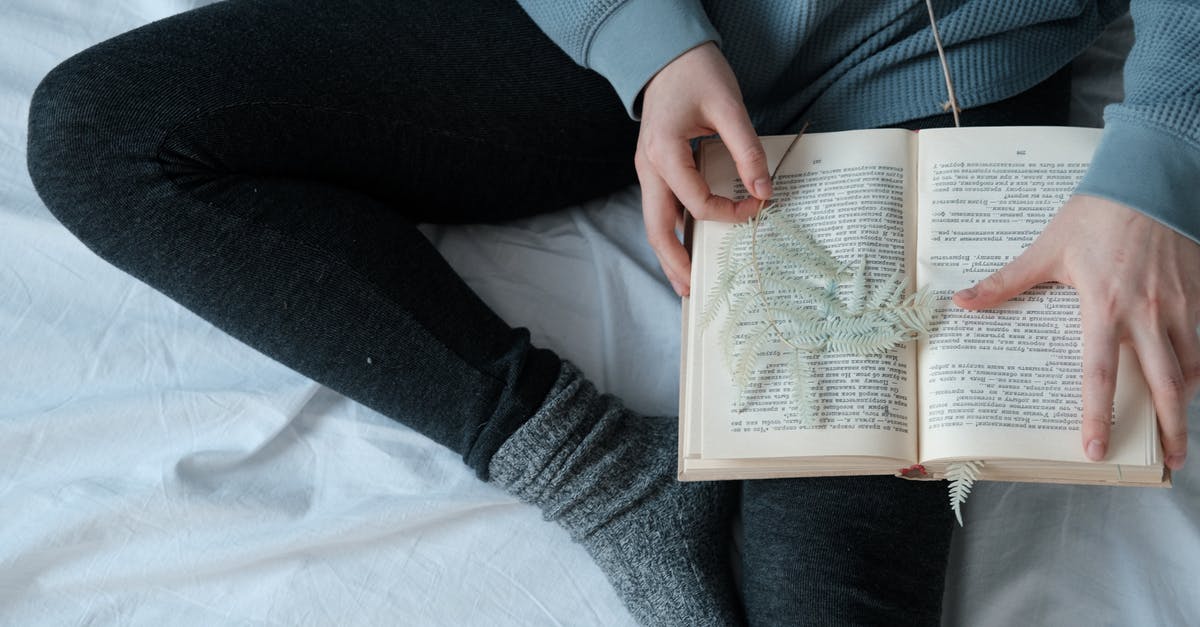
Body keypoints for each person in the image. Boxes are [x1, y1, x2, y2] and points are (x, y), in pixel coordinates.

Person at [24, 1, 1199, 625]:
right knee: (105, 132)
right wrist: (642, 39)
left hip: (942, 95)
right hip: (629, 37)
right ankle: (604, 472)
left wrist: (1160, 166)